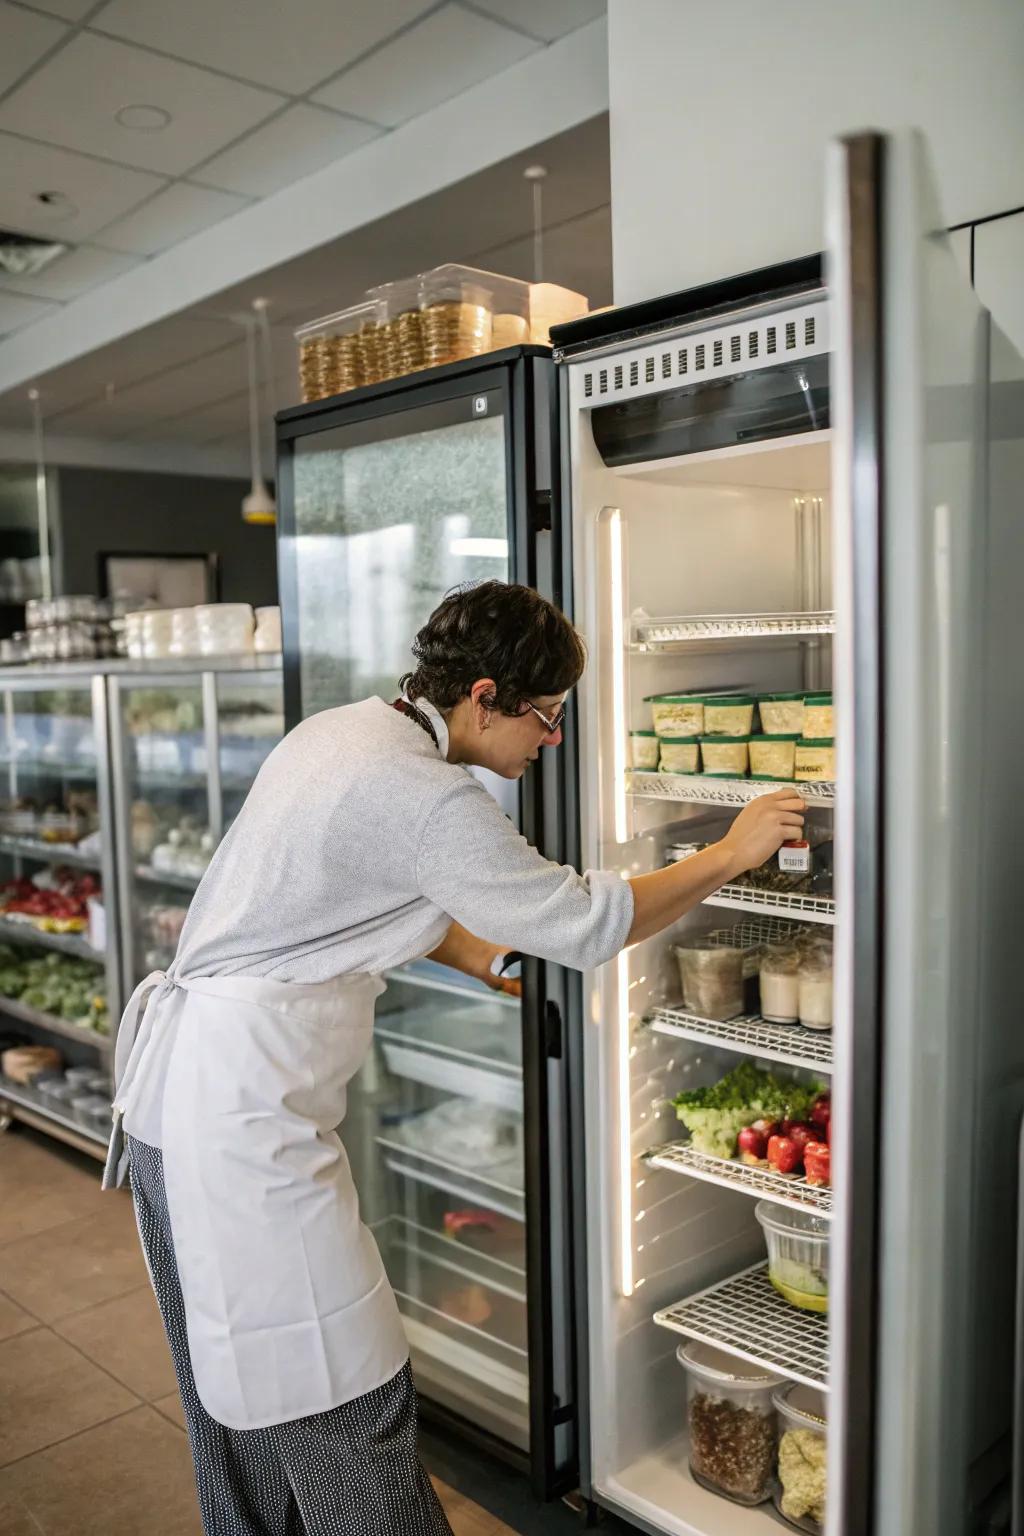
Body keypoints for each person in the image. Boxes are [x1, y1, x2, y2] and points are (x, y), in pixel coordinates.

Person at [104, 580, 804, 1536]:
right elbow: (590, 920)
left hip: (171, 1112)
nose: (552, 741)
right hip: (239, 1133)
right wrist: (729, 851)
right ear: (485, 697)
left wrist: (477, 952)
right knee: (345, 1404)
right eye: (546, 718)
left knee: (234, 1423)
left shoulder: (346, 732)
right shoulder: (425, 795)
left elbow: (347, 890)